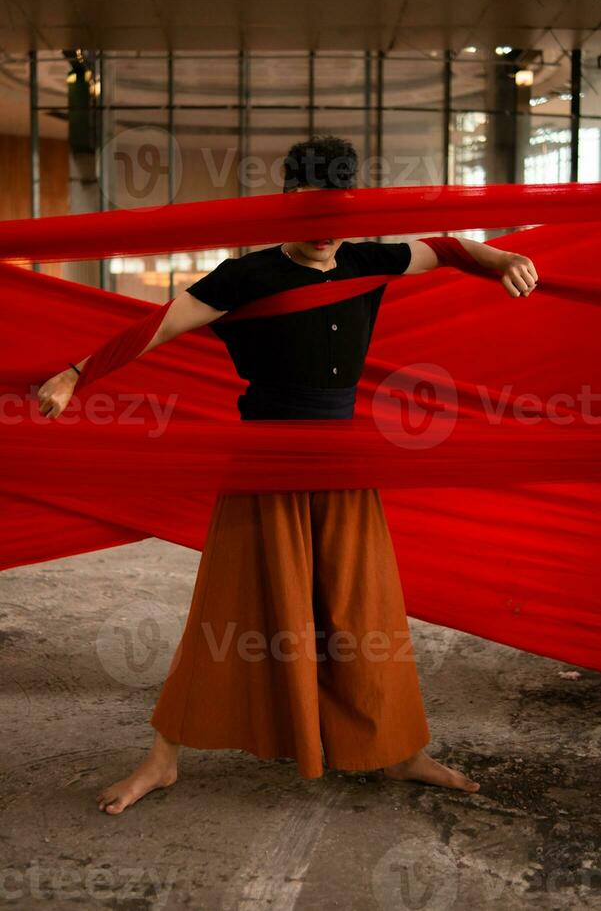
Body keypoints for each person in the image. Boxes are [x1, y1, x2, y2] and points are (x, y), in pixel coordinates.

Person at [37, 135, 538, 815]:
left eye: (334, 219)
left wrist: (501, 258)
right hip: (265, 460)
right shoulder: (243, 278)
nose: (323, 235)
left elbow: (447, 246)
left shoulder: (370, 257)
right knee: (231, 608)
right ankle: (162, 760)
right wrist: (74, 374)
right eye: (308, 219)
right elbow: (156, 327)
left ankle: (400, 750)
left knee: (364, 609)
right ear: (284, 210)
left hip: (341, 458)